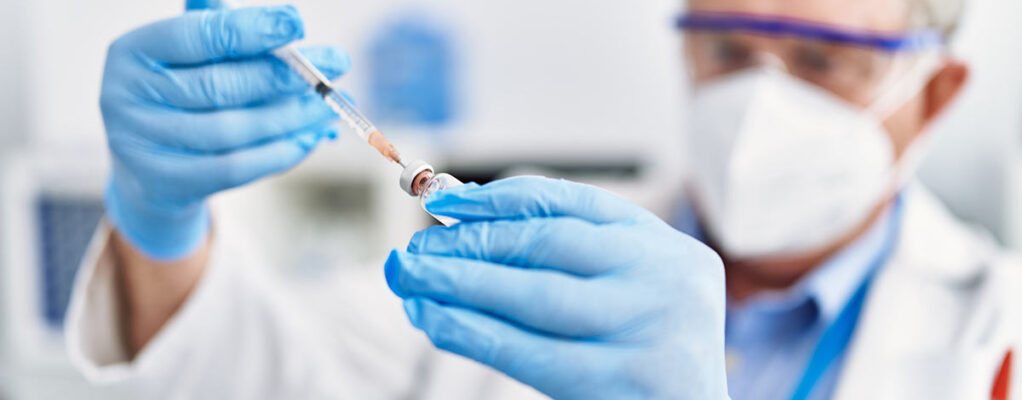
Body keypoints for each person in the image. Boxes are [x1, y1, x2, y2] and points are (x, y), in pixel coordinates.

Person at [65, 0, 1020, 399]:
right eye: (727, 50)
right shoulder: (516, 264)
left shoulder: (997, 338)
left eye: (823, 62)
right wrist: (162, 221)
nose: (760, 101)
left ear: (931, 96)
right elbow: (254, 373)